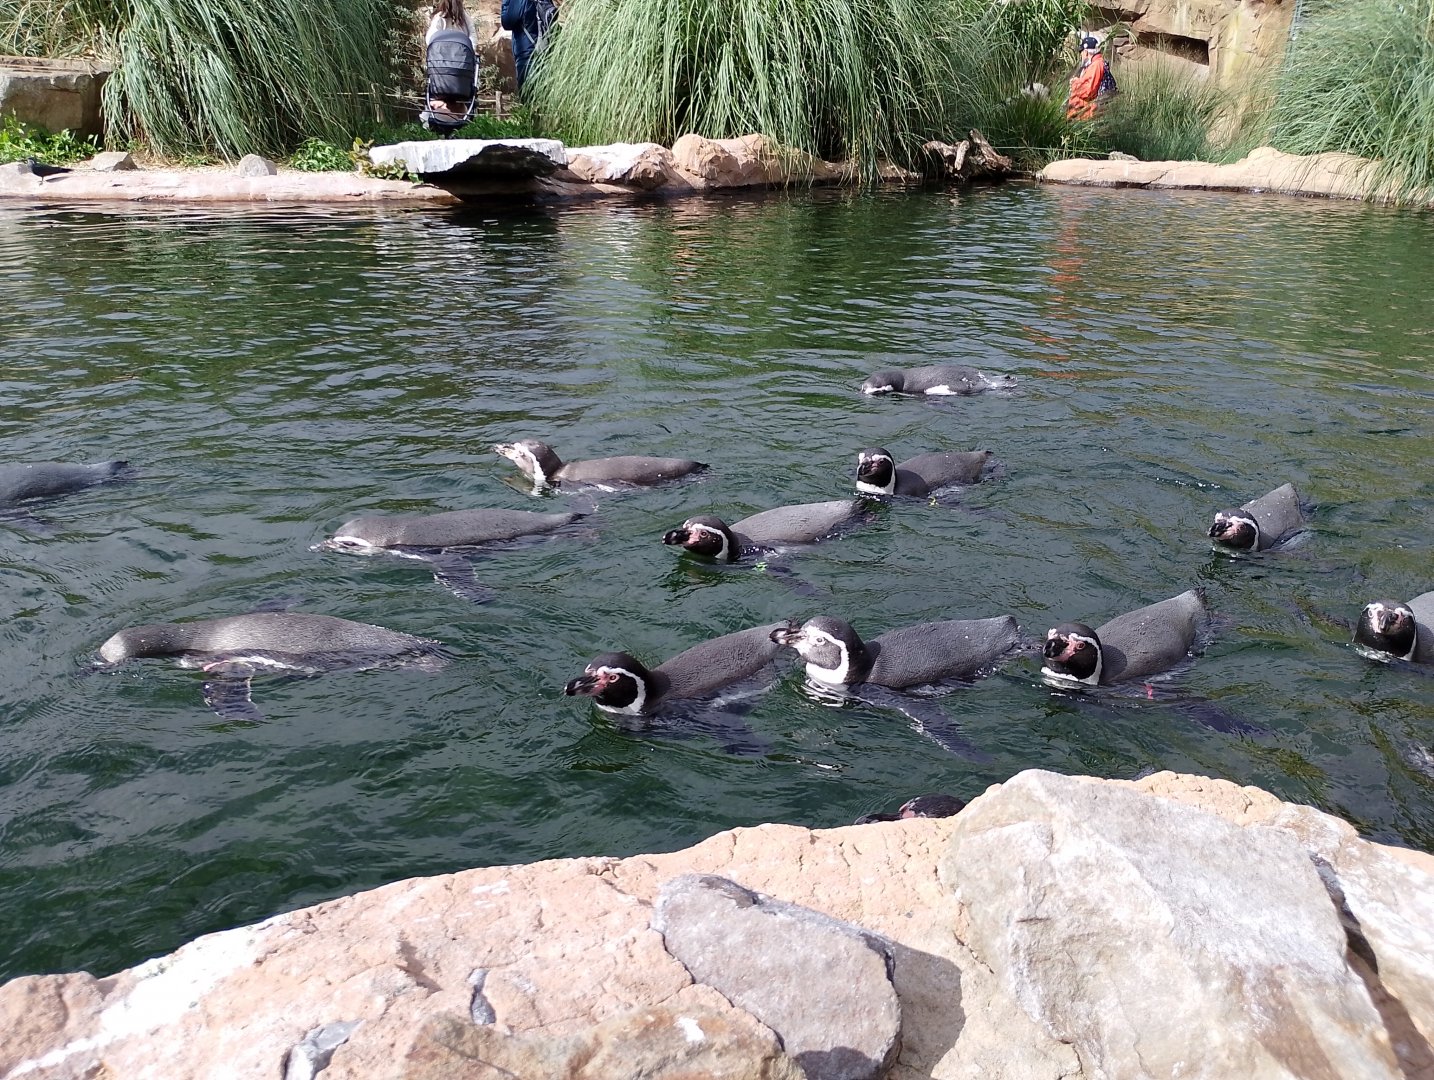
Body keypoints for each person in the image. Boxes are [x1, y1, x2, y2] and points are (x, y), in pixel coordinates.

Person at [501, 0, 558, 95]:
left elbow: (507, 21)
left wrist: (506, 2)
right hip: (546, 54)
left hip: (527, 57)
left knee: (528, 100)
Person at [1066, 35, 1110, 121]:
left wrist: (1075, 83)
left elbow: (1089, 92)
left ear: (1085, 52)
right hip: (1082, 112)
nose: (1081, 55)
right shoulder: (1094, 65)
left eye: (1081, 52)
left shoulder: (1096, 65)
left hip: (1085, 114)